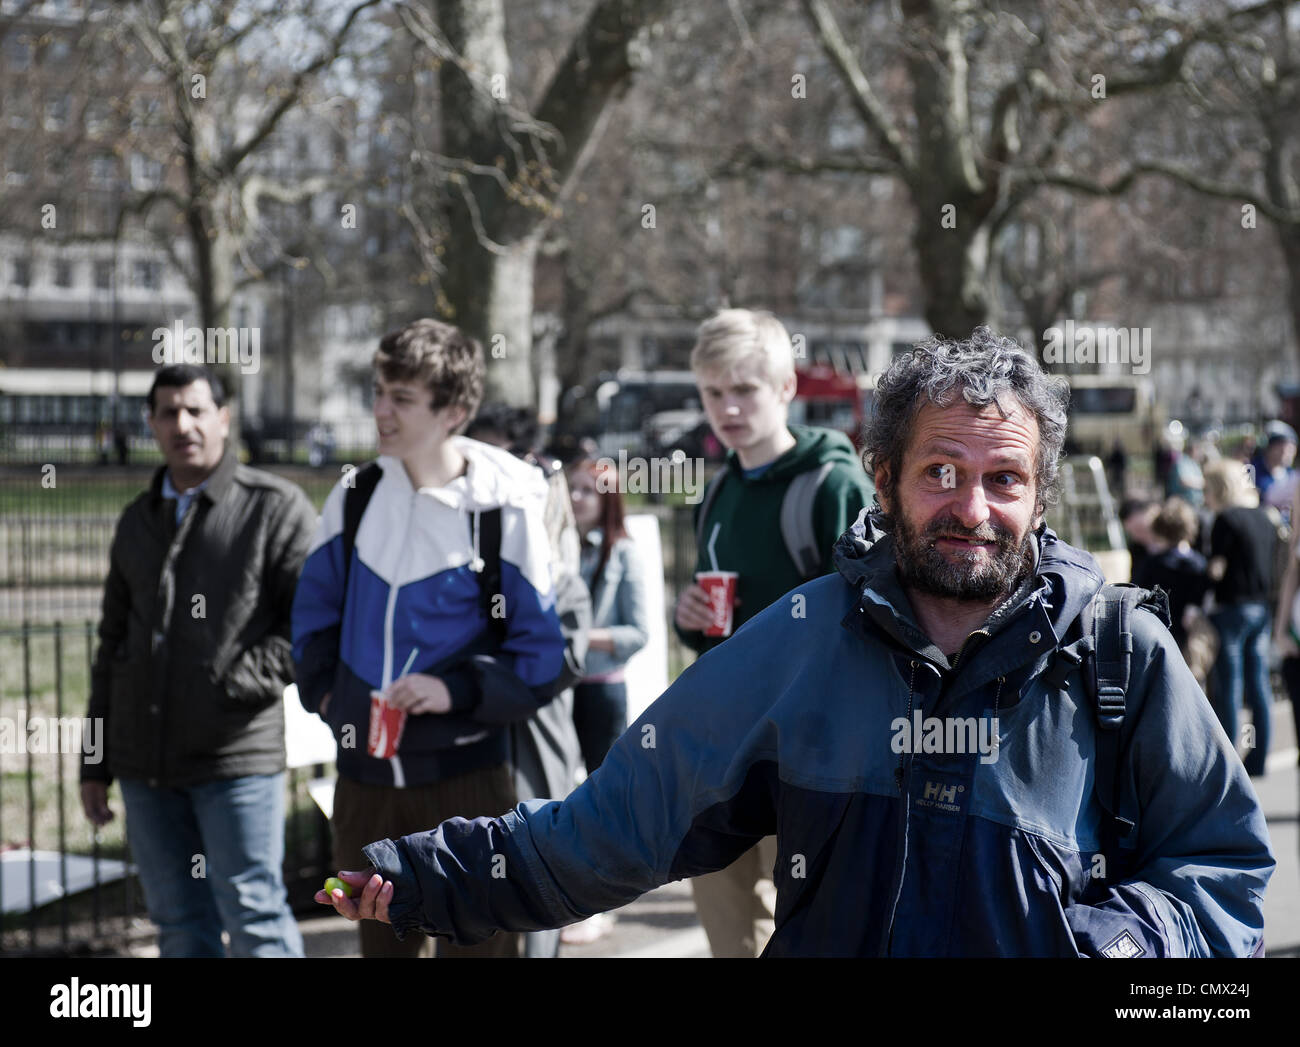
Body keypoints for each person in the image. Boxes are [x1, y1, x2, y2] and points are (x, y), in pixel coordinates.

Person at [318, 327, 1276, 957]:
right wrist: (422, 879)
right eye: (941, 470)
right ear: (886, 475)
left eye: (1004, 479)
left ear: (1040, 493)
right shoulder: (803, 641)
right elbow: (611, 827)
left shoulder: (1121, 652)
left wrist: (1129, 947)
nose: (972, 508)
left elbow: (1224, 872)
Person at [291, 319, 568, 959]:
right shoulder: (355, 494)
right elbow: (311, 618)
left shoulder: (503, 511)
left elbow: (541, 657)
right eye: (380, 391)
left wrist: (455, 692)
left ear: (455, 411)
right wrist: (330, 698)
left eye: (403, 399)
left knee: (479, 954)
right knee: (381, 952)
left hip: (468, 788)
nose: (381, 411)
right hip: (361, 783)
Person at [79, 363, 317, 958]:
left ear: (223, 418)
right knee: (180, 926)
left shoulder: (275, 508)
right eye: (167, 412)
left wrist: (230, 681)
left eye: (195, 409)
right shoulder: (138, 519)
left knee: (255, 913)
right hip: (145, 766)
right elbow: (110, 647)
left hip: (233, 758)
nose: (181, 423)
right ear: (152, 424)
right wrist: (94, 761)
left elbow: (312, 627)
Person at [670, 308, 874, 958]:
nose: (727, 407)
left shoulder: (834, 485)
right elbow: (714, 628)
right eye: (713, 392)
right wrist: (690, 619)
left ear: (785, 388)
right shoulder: (717, 489)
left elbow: (877, 625)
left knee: (804, 933)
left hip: (811, 754)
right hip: (724, 749)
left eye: (744, 389)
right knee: (727, 930)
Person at [559, 457, 650, 946]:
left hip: (601, 689)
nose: (577, 498)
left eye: (588, 491)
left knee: (600, 799)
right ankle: (563, 894)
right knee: (558, 795)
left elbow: (637, 633)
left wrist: (577, 638)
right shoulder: (556, 549)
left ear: (608, 499)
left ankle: (598, 902)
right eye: (571, 489)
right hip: (556, 691)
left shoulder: (623, 554)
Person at [1203, 458, 1279, 777]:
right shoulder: (1265, 518)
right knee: (1259, 685)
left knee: (1230, 687)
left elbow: (1217, 569)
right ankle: (1258, 758)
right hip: (1261, 608)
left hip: (1231, 608)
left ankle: (1230, 761)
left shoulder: (1225, 519)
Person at [1131, 497, 1213, 686]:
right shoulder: (1198, 564)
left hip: (1159, 631)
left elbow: (1137, 591)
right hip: (1190, 634)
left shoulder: (1152, 564)